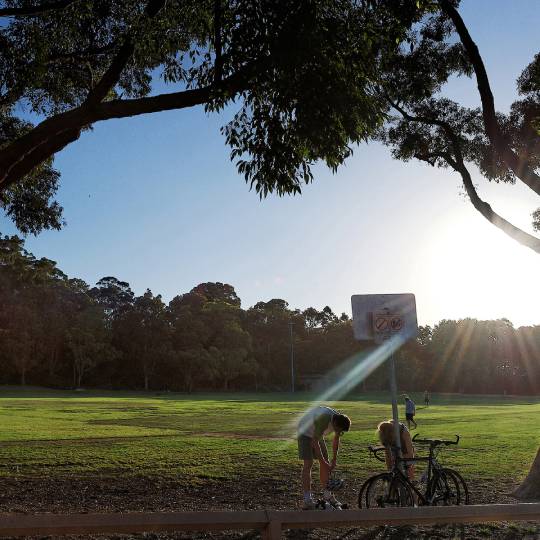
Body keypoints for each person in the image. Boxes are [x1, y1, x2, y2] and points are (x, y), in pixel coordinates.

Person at [297, 405, 351, 509]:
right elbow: (314, 442)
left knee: (325, 462)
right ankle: (307, 500)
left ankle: (328, 496)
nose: (339, 433)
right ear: (334, 423)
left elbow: (336, 440)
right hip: (304, 431)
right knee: (308, 464)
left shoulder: (338, 419)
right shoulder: (324, 419)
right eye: (339, 430)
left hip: (317, 434)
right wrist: (323, 462)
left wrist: (334, 459)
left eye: (341, 432)